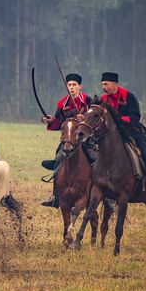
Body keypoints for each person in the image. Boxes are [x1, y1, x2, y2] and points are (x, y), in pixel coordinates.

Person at [100, 72, 146, 194]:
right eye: (102, 84)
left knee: (145, 152)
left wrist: (120, 120)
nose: (103, 87)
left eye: (106, 84)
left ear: (115, 84)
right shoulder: (103, 99)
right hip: (112, 132)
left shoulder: (128, 96)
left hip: (131, 130)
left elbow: (135, 116)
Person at [40, 73, 93, 207]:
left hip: (86, 138)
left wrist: (84, 119)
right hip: (68, 139)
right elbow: (59, 123)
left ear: (80, 86)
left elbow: (94, 119)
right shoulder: (62, 104)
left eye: (74, 85)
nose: (71, 87)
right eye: (69, 85)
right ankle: (55, 196)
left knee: (97, 158)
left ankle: (106, 196)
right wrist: (49, 121)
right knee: (58, 159)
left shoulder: (88, 101)